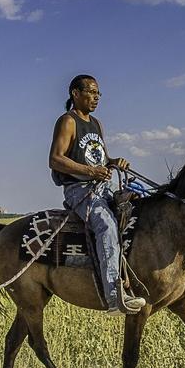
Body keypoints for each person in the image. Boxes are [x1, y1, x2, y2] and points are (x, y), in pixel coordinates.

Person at [49, 74, 146, 315]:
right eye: (91, 92)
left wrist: (114, 162)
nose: (96, 98)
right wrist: (91, 171)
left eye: (98, 93)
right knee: (106, 225)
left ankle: (131, 278)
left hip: (102, 187)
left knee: (136, 214)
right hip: (79, 190)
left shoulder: (97, 124)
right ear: (75, 93)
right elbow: (55, 159)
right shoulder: (68, 121)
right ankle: (114, 297)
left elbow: (101, 157)